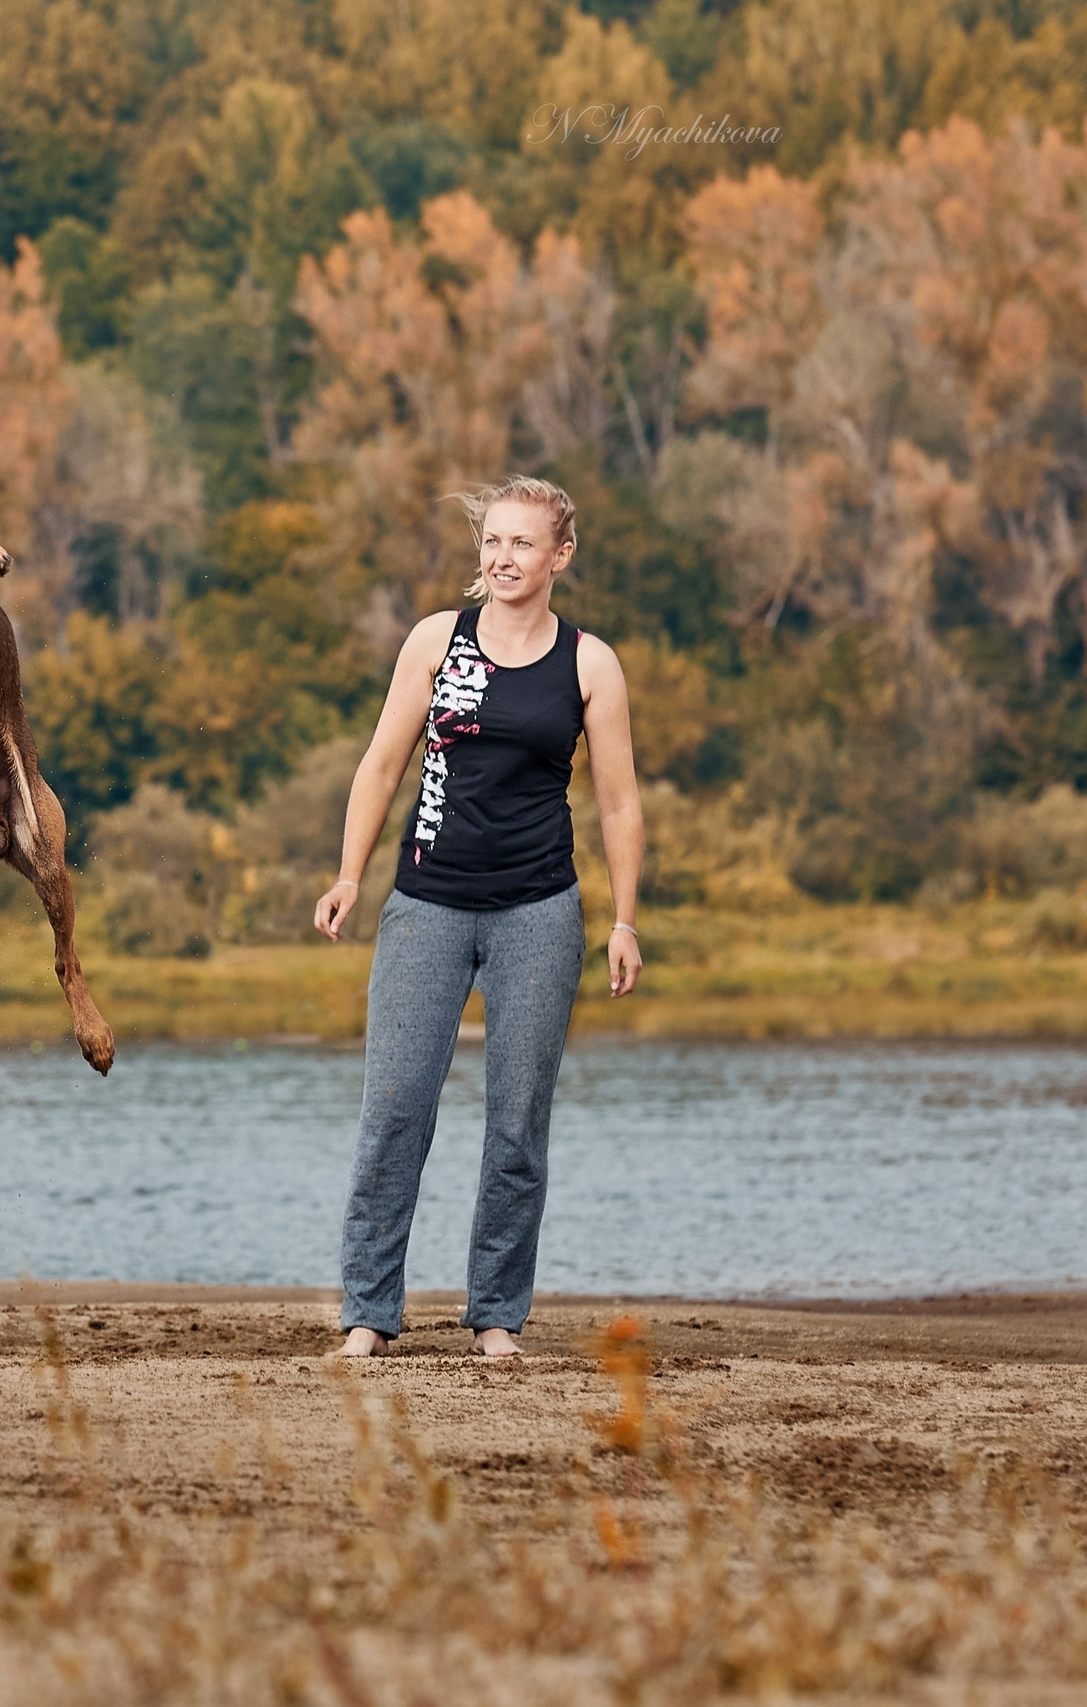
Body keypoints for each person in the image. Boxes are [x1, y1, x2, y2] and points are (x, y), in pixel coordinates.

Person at [313, 475, 643, 1360]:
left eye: (522, 544)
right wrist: (350, 873)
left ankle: (497, 1315)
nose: (502, 558)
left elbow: (618, 805)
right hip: (425, 904)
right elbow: (382, 763)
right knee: (393, 1110)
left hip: (540, 910)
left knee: (517, 1122)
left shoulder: (589, 663)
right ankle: (367, 1314)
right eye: (492, 542)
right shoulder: (436, 641)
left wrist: (624, 920)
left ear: (560, 555)